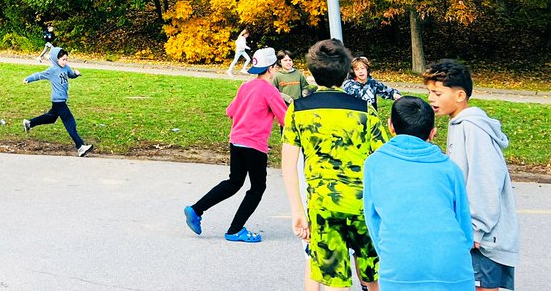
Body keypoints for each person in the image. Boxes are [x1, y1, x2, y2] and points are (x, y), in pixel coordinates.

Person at [282, 38, 387, 291]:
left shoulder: (297, 110)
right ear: (345, 72)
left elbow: (288, 165)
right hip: (363, 205)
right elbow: (383, 161)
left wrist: (298, 210)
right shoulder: (365, 111)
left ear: (311, 73)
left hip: (323, 205)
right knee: (372, 276)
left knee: (334, 280)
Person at [423, 59, 519, 291]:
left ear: (460, 95)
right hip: (473, 231)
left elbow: (486, 180)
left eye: (437, 93)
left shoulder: (472, 128)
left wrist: (475, 226)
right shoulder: (458, 124)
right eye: (429, 92)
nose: (431, 99)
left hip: (483, 236)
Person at [363, 96, 475, 291]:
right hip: (453, 266)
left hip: (400, 266)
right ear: (432, 133)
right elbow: (464, 223)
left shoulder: (374, 164)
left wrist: (390, 254)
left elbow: (372, 220)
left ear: (390, 126)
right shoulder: (449, 168)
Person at [185, 47, 290, 243]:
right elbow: (285, 119)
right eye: (274, 66)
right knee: (257, 188)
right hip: (255, 145)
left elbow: (230, 111)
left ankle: (196, 209)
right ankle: (235, 229)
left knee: (234, 182)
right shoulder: (271, 91)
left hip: (237, 141)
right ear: (270, 69)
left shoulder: (245, 86)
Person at [21, 46, 93, 157]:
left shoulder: (66, 67)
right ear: (56, 59)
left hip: (61, 100)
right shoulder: (52, 70)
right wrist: (28, 79)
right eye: (63, 59)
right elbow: (39, 75)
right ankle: (80, 147)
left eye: (66, 59)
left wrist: (76, 74)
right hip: (58, 101)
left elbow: (70, 75)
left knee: (51, 117)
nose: (65, 61)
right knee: (70, 122)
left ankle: (29, 123)